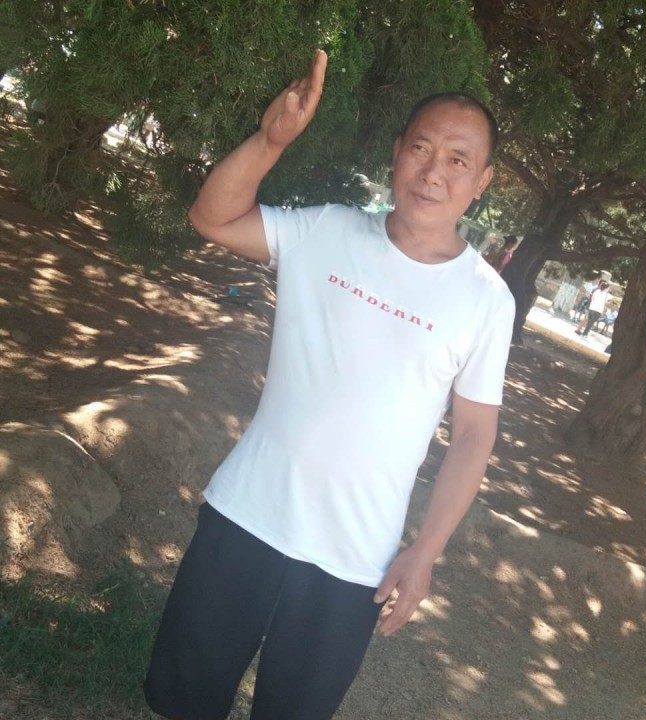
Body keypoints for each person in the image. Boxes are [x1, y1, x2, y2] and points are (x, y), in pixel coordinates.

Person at [144, 49, 515, 720]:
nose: (434, 171)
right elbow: (213, 219)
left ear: (482, 180)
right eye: (421, 148)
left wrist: (425, 552)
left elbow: (472, 436)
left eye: (458, 160)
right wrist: (270, 141)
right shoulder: (326, 231)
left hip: (353, 562)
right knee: (183, 700)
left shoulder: (487, 300)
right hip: (245, 516)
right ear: (397, 152)